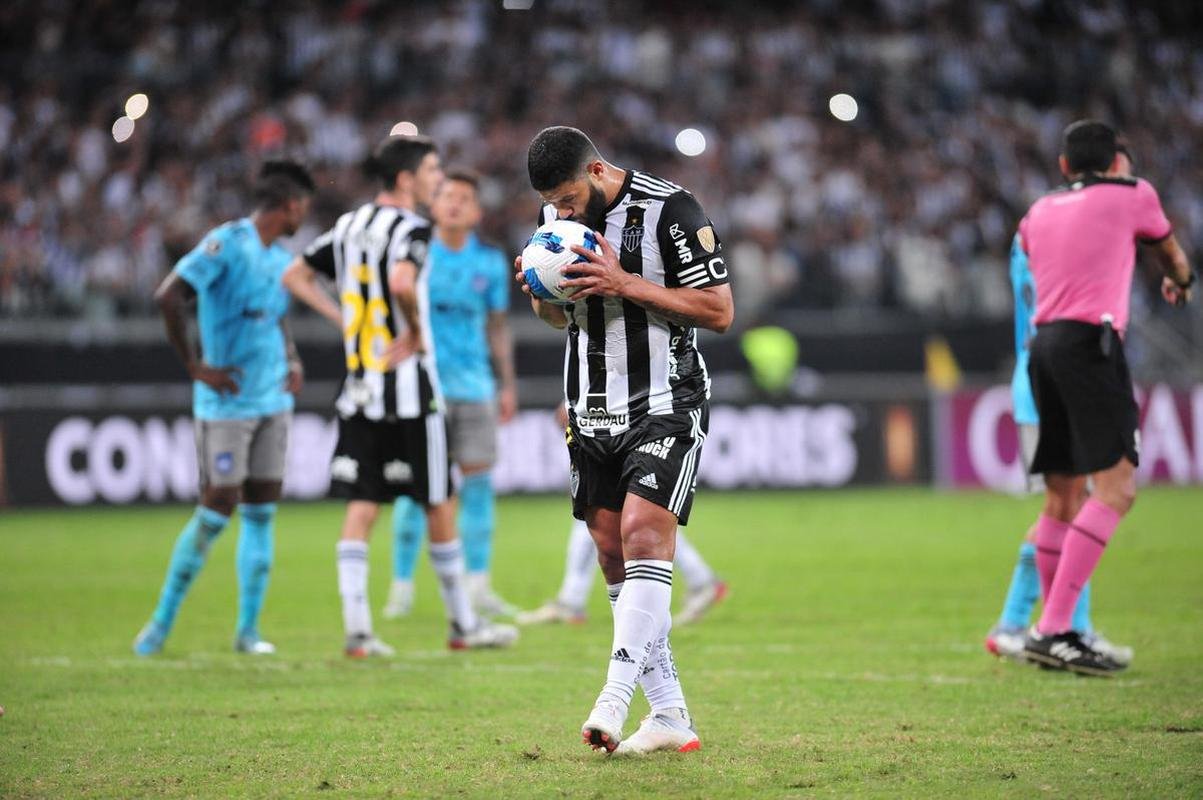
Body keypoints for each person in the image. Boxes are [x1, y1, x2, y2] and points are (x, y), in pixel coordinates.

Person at [518, 126, 734, 754]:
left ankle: (612, 701)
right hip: (590, 410)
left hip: (666, 401)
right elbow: (561, 316)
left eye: (565, 198)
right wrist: (541, 291)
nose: (558, 213)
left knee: (645, 535)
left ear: (596, 170)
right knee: (613, 555)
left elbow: (719, 311)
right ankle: (669, 715)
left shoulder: (672, 210)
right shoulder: (555, 221)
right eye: (550, 204)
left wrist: (624, 283)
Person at [282, 135, 517, 656]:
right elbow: (405, 282)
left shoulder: (348, 225)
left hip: (361, 387)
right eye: (432, 170)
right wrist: (411, 330)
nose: (438, 179)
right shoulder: (413, 227)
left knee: (363, 505)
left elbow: (295, 274)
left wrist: (345, 318)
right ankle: (464, 626)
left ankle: (359, 631)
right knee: (437, 500)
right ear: (408, 179)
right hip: (411, 391)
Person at [1017, 120, 1194, 675]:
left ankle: (1059, 632)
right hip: (1092, 344)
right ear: (1117, 162)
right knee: (1117, 488)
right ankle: (1054, 628)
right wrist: (1181, 282)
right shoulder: (1132, 193)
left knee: (1062, 497)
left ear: (1065, 166)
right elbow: (1170, 253)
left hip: (1043, 347)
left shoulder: (1037, 211)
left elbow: (1034, 253)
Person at [133, 160, 315, 656]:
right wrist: (196, 365)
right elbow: (170, 297)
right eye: (304, 207)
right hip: (227, 402)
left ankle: (248, 632)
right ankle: (159, 624)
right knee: (217, 506)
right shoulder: (225, 245)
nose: (305, 216)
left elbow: (274, 317)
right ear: (290, 205)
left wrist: (292, 358)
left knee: (261, 510)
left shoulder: (281, 257)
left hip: (272, 397)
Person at [984, 145, 1138, 666]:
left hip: (1039, 375)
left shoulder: (1031, 236)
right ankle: (1055, 626)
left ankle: (1041, 625)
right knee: (1072, 508)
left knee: (1069, 505)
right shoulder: (1059, 242)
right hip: (1058, 376)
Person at [382, 169, 520, 621]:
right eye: (447, 196)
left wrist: (507, 385)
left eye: (465, 198)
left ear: (477, 211)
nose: (455, 203)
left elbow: (497, 328)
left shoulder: (490, 262)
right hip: (424, 387)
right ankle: (400, 588)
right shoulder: (416, 256)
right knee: (412, 491)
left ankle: (478, 587)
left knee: (478, 487)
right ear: (433, 205)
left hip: (476, 387)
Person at [518, 404, 729, 626]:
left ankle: (572, 601)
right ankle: (701, 580)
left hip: (631, 418)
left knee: (624, 514)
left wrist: (571, 404)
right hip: (622, 416)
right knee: (639, 518)